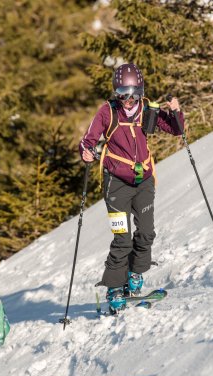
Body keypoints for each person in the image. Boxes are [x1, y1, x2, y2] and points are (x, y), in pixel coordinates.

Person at [79, 63, 184, 314]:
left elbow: (176, 130)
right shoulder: (108, 112)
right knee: (122, 239)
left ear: (140, 92)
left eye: (134, 94)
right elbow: (87, 140)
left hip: (144, 180)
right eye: (123, 94)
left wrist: (176, 111)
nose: (128, 100)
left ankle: (135, 273)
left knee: (146, 233)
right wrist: (86, 152)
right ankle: (114, 287)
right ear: (116, 93)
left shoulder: (146, 109)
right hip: (117, 184)